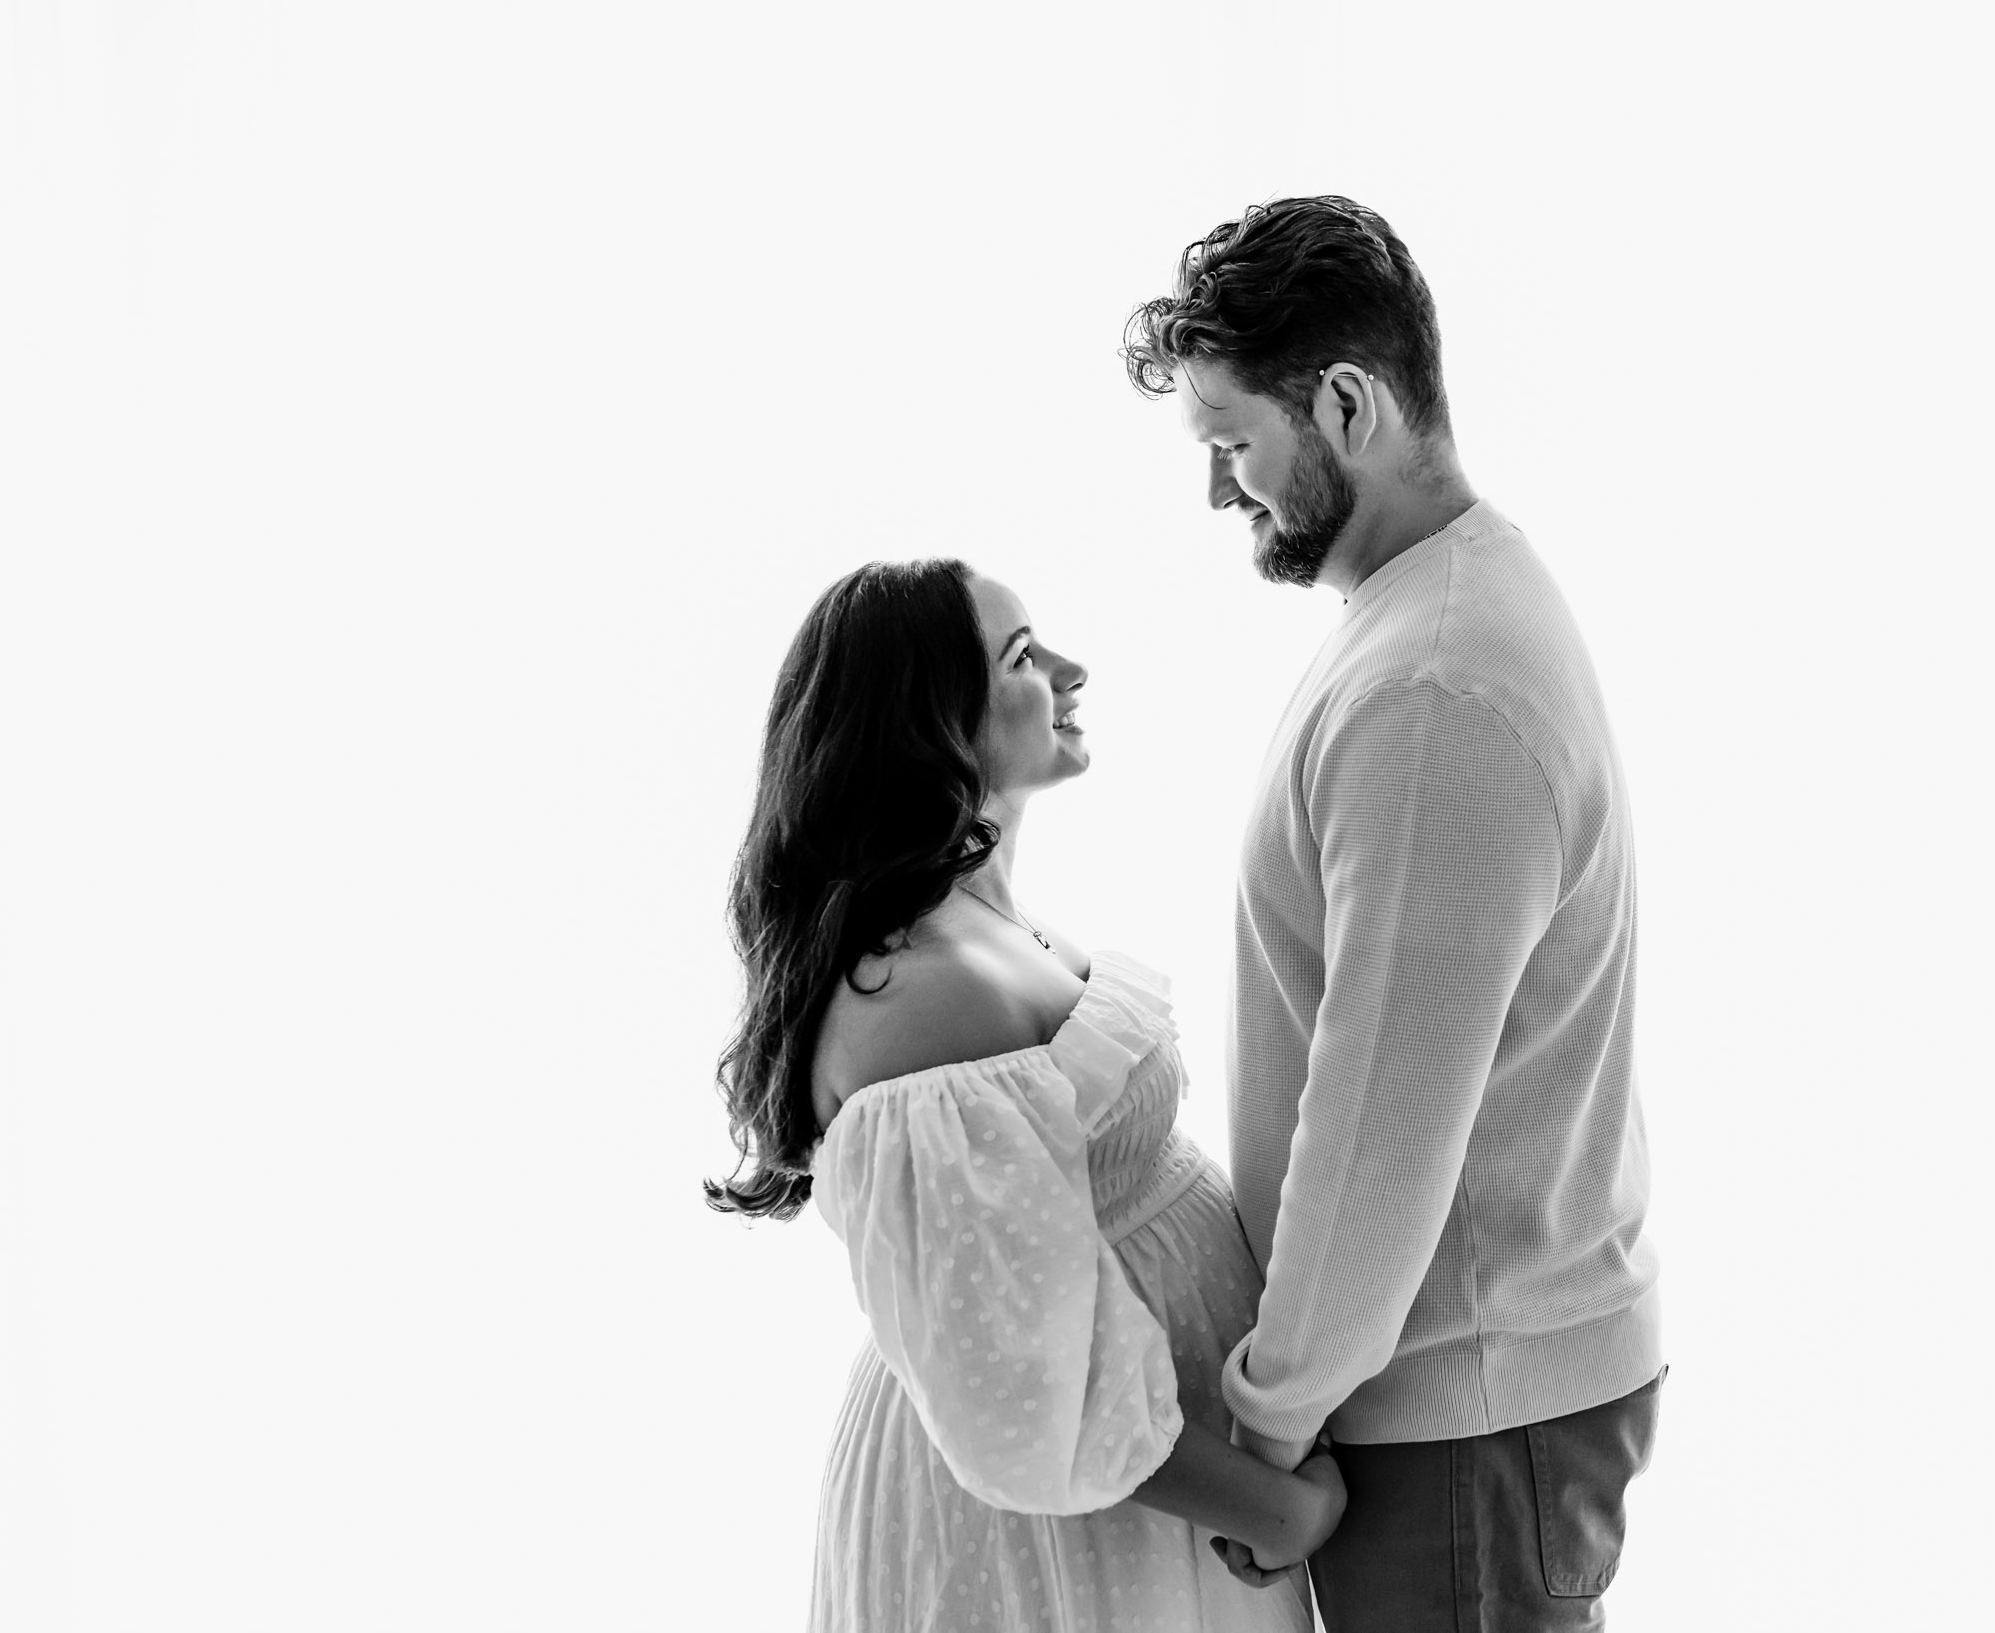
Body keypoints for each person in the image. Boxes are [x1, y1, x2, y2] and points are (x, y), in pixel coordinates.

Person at [1122, 197, 1666, 1631]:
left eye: (1234, 441)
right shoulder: (1431, 615)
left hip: (1463, 1422)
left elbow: (1378, 1132)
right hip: (1469, 1406)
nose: (1221, 492)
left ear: (1348, 403)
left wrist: (1267, 1424)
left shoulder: (1433, 687)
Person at [705, 559, 1341, 1632]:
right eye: (1022, 657)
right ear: (930, 724)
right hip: (1058, 1522)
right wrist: (1281, 1510)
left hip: (1125, 1496)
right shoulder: (918, 996)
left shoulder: (977, 931)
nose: (1068, 670)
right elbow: (1022, 1392)